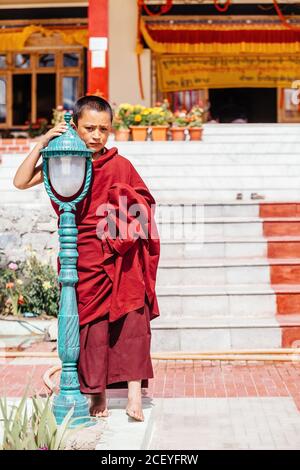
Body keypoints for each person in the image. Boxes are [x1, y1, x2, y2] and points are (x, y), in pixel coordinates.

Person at [13, 96, 160, 422]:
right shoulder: (62, 159)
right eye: (89, 128)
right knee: (89, 326)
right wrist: (42, 144)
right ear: (75, 127)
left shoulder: (119, 164)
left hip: (118, 251)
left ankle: (135, 392)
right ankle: (97, 394)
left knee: (132, 316)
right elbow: (20, 181)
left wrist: (121, 229)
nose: (96, 135)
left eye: (103, 129)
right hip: (79, 251)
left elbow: (144, 203)